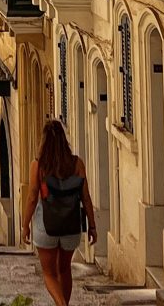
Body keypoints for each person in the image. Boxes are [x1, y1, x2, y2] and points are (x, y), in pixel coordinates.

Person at [21, 120, 96, 306]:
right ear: (64, 140)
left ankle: (61, 304)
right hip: (71, 225)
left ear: (43, 142)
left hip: (46, 226)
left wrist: (25, 225)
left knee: (49, 273)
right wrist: (92, 226)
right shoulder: (77, 164)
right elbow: (86, 198)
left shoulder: (38, 165)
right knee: (64, 270)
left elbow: (32, 198)